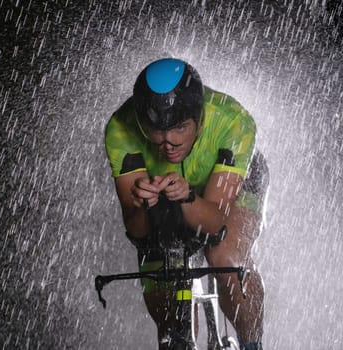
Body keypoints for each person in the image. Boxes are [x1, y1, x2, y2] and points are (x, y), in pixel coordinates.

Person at [104, 57, 268, 350]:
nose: (168, 141)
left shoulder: (233, 121)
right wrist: (142, 205)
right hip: (169, 193)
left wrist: (189, 198)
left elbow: (216, 222)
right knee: (162, 277)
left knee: (225, 258)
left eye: (179, 127)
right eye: (156, 130)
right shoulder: (120, 127)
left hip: (234, 186)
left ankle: (252, 344)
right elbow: (138, 233)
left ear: (200, 119)